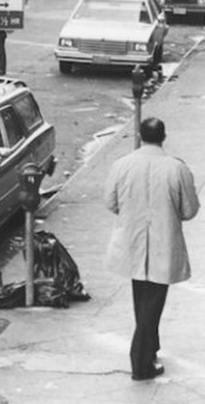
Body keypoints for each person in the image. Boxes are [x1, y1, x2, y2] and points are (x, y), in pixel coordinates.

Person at [104, 118, 199, 381]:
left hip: (132, 241)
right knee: (154, 302)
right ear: (163, 137)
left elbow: (110, 202)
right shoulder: (176, 168)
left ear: (139, 136)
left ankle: (150, 348)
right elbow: (190, 209)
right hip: (163, 242)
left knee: (141, 297)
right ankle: (140, 360)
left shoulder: (122, 165)